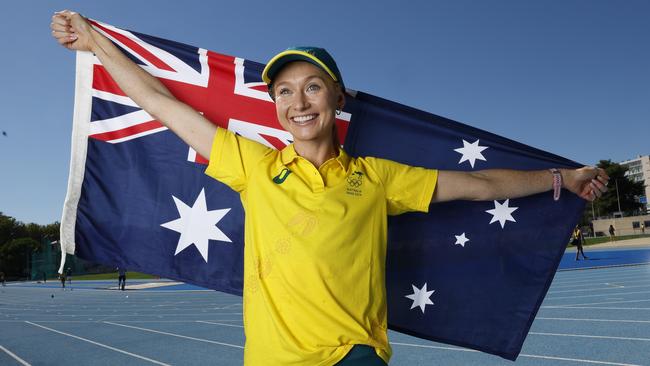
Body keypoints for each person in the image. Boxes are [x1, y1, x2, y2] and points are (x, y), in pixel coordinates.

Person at [51, 11, 610, 365]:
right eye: (285, 92)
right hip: (273, 361)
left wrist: (562, 179)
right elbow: (160, 103)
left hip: (354, 357)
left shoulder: (376, 176)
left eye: (312, 87)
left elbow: (480, 183)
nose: (298, 103)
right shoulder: (252, 165)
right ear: (275, 107)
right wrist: (96, 44)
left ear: (338, 99)